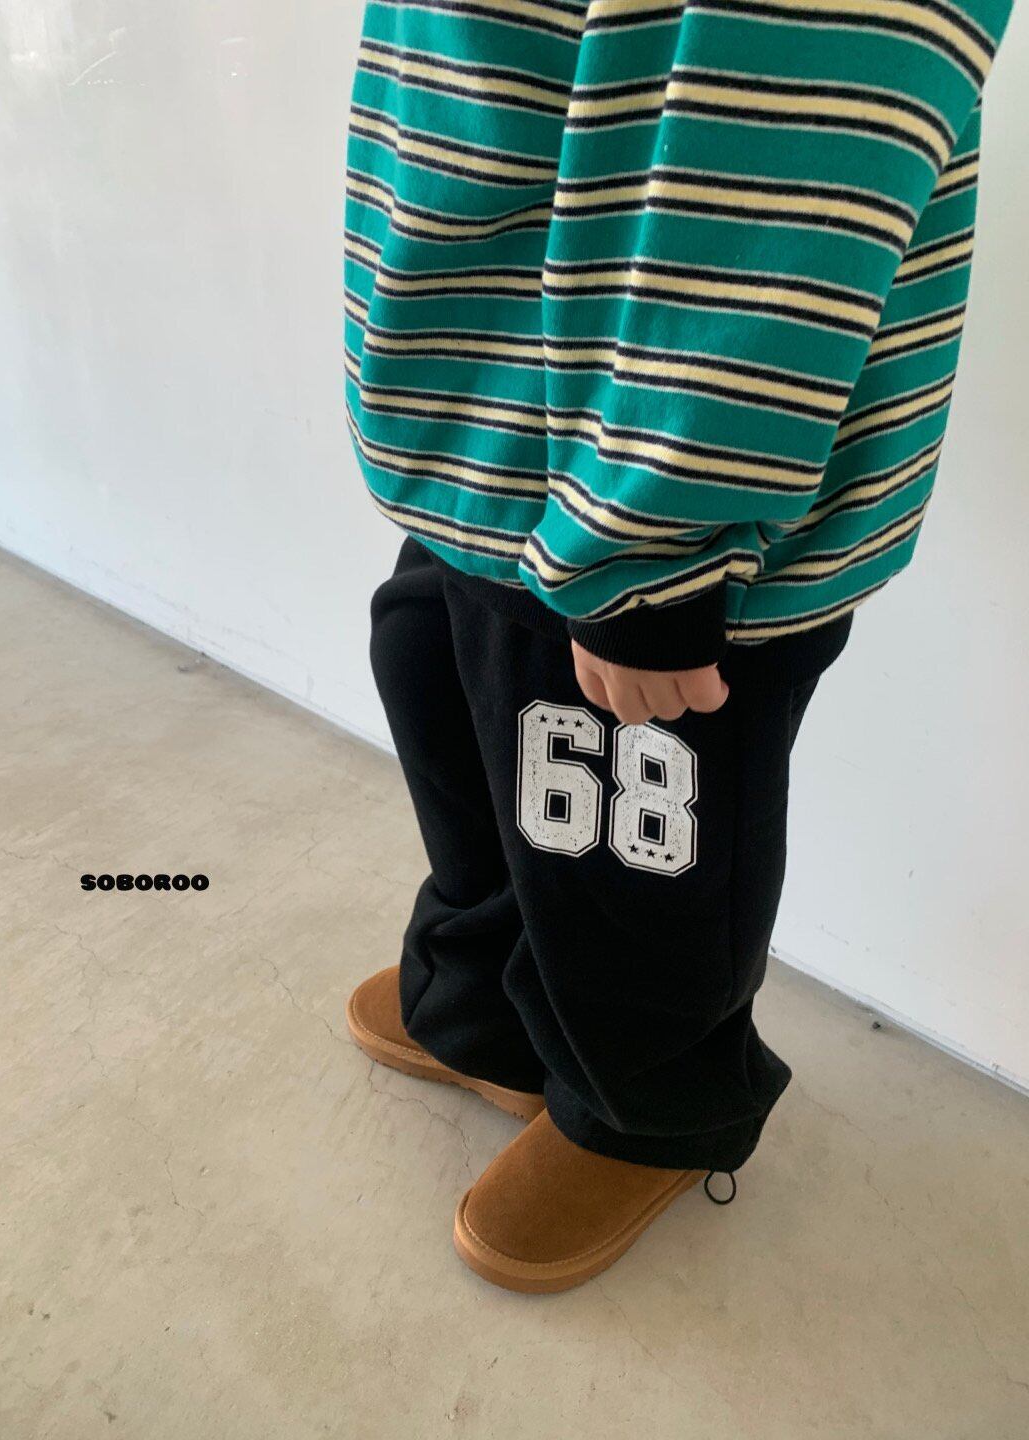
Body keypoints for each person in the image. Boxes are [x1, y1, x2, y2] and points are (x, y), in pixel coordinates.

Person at [340, 0, 1013, 1293]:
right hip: (494, 412)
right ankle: (492, 1003)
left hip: (653, 487)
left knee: (630, 844)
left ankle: (644, 1109)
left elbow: (798, 110)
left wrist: (655, 536)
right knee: (453, 705)